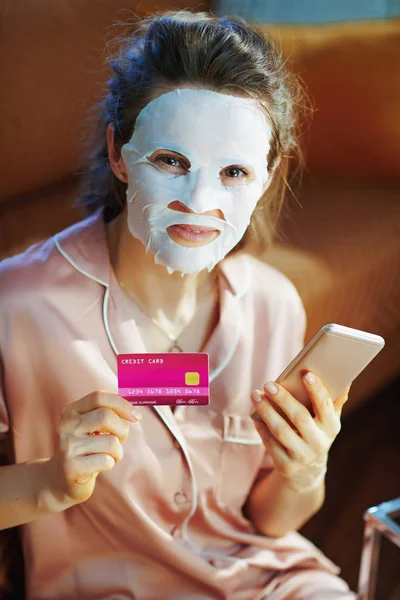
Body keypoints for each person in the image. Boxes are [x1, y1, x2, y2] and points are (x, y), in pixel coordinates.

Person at [0, 9, 357, 600]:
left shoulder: (275, 305)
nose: (200, 201)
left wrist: (306, 470)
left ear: (266, 179)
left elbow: (273, 523)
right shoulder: (17, 303)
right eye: (171, 162)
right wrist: (52, 482)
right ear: (119, 152)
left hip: (268, 580)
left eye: (235, 172)